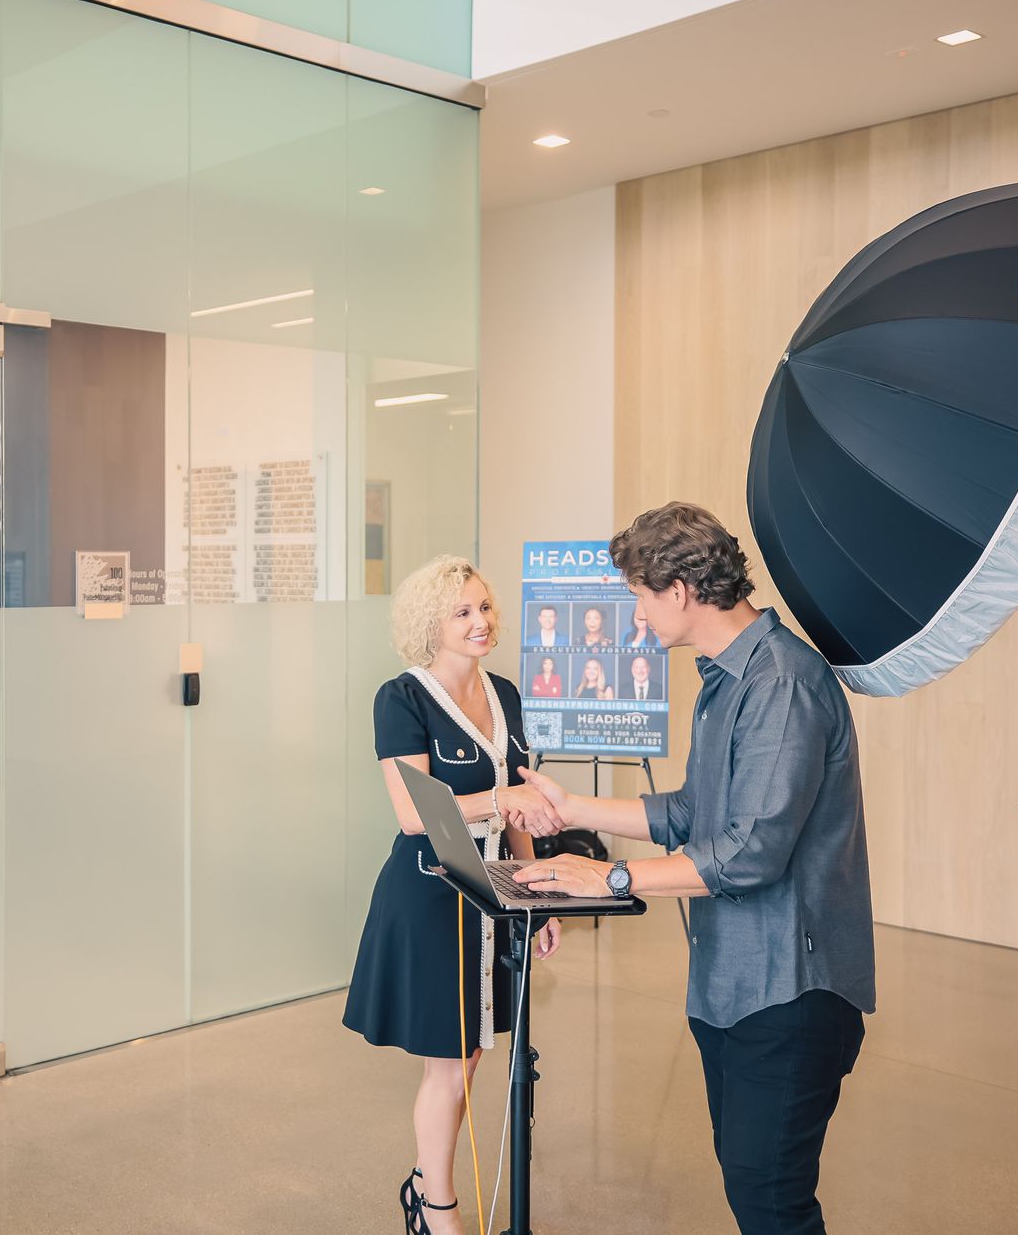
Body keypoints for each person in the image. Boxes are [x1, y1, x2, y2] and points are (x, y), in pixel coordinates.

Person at [505, 503, 874, 1235]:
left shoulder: (781, 684)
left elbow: (750, 852)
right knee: (751, 1186)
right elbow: (692, 812)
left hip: (789, 992)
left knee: (772, 1203)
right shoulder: (726, 680)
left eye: (640, 596)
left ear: (678, 590)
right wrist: (574, 807)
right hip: (732, 985)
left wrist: (608, 880)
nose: (637, 617)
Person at [344, 555, 559, 1235]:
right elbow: (415, 814)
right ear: (429, 625)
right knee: (450, 1063)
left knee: (467, 1060)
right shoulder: (400, 698)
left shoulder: (506, 694)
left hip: (496, 895)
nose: (481, 622)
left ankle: (423, 1182)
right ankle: (438, 1209)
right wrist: (505, 797)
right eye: (462, 611)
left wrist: (537, 893)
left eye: (485, 607)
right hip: (430, 896)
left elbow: (522, 811)